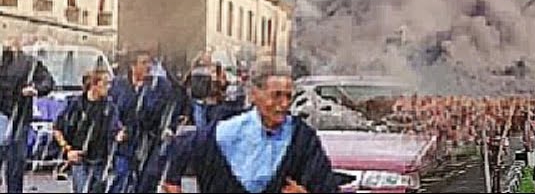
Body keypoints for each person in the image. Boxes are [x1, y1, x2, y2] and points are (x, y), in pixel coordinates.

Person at [163, 61, 338, 193]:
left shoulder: (302, 138)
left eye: (288, 96)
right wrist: (172, 181)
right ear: (254, 95)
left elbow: (327, 186)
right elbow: (183, 146)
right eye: (276, 95)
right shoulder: (226, 131)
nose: (284, 104)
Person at [106, 50, 182, 193]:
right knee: (121, 178)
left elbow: (172, 107)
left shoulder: (160, 86)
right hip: (126, 141)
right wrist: (116, 130)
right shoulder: (119, 86)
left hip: (150, 142)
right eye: (143, 63)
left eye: (149, 63)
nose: (148, 66)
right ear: (133, 66)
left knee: (148, 180)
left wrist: (170, 128)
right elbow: (111, 111)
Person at [0, 36, 55, 193]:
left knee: (15, 163)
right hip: (8, 116)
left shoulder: (29, 63)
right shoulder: (23, 63)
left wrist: (35, 89)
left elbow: (48, 82)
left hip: (19, 118)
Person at [53, 69, 122, 194]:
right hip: (79, 158)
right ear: (93, 85)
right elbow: (57, 129)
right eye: (105, 83)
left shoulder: (109, 107)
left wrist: (120, 135)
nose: (109, 87)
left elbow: (116, 129)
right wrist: (68, 150)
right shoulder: (76, 105)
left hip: (100, 160)